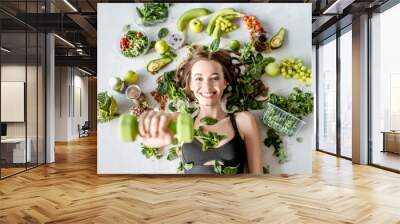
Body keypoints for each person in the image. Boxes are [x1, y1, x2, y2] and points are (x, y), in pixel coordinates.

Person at [139, 47, 263, 174]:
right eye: (199, 79)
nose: (207, 87)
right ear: (190, 84)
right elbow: (154, 138)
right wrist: (155, 137)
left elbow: (257, 177)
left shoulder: (243, 121)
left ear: (224, 82)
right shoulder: (181, 121)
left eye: (215, 78)